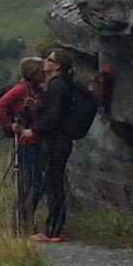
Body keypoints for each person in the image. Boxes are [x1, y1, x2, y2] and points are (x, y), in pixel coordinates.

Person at [31, 47, 99, 244]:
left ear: (57, 65)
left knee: (51, 183)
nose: (45, 61)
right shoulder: (66, 84)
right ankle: (57, 228)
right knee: (56, 182)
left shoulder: (56, 86)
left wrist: (34, 130)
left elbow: (52, 116)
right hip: (63, 140)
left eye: (49, 59)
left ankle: (51, 231)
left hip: (55, 141)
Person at [0, 57, 47, 231]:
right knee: (35, 183)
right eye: (41, 71)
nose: (45, 73)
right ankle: (24, 220)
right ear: (34, 73)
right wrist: (9, 127)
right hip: (26, 142)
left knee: (31, 183)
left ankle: (22, 221)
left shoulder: (36, 89)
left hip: (35, 140)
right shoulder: (20, 89)